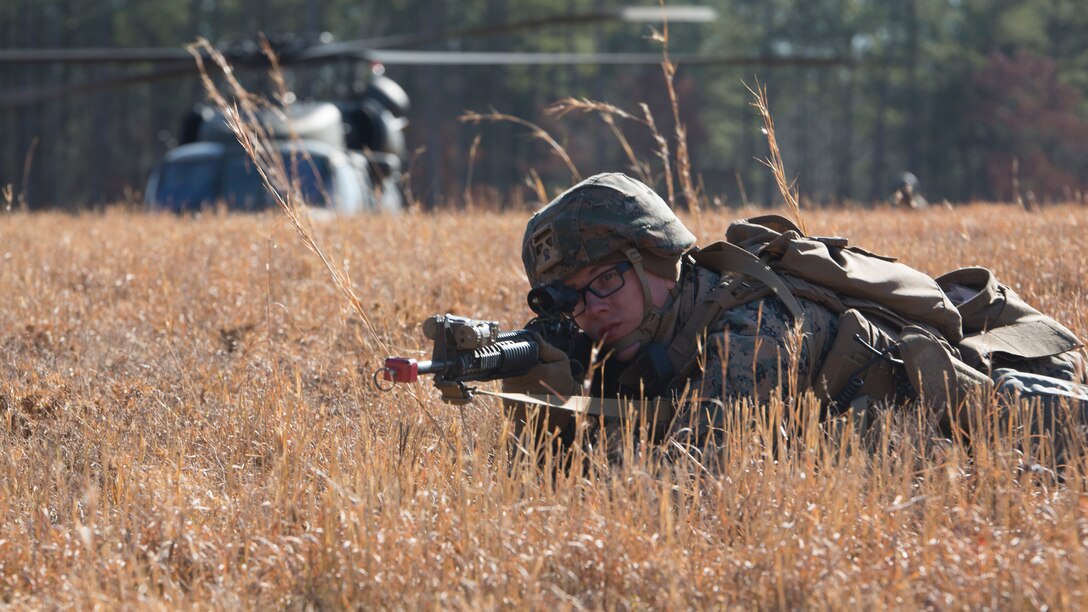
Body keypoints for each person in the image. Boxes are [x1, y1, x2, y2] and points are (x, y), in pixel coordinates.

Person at [501, 172, 1088, 462]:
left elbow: (685, 481)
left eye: (606, 280)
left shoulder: (751, 329)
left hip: (996, 404)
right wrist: (537, 388)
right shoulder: (627, 339)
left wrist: (555, 413)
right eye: (569, 299)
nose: (591, 309)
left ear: (657, 260)